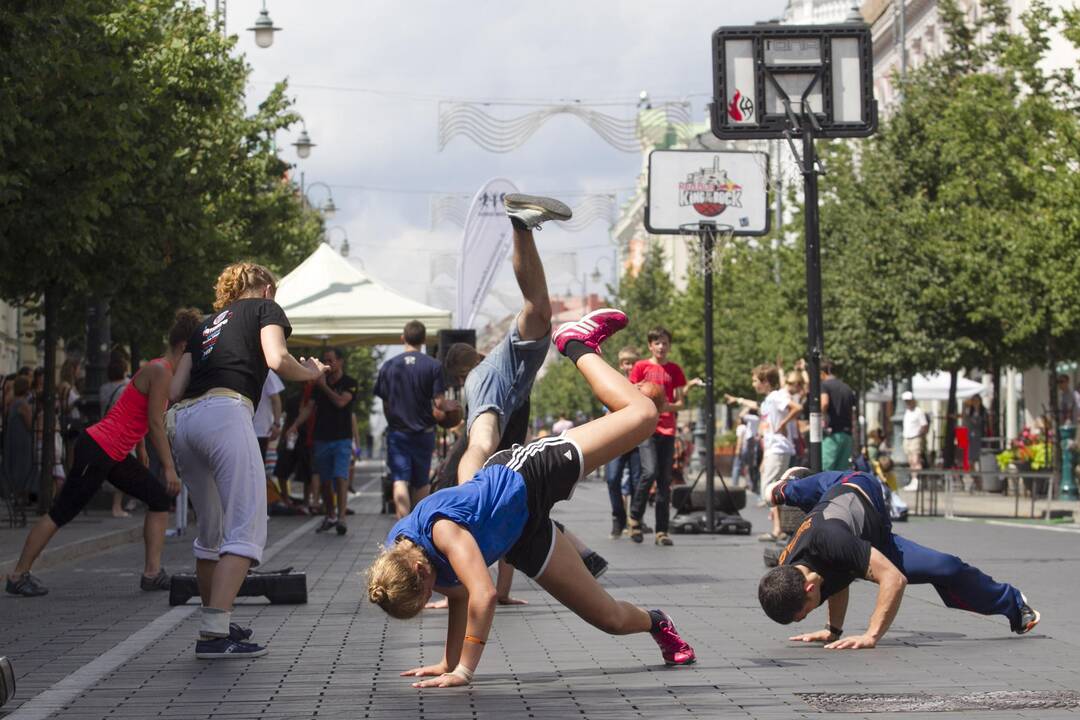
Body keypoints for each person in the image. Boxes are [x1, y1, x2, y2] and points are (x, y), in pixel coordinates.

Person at [367, 308, 696, 688]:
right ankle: (659, 622)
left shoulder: (441, 536)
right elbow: (457, 596)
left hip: (527, 476)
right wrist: (447, 661)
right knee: (610, 619)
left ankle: (575, 342)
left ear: (421, 572)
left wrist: (464, 670)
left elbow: (483, 595)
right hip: (519, 533)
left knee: (644, 414)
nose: (431, 600)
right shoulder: (403, 557)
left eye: (425, 596)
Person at [442, 193, 609, 589]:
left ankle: (521, 225)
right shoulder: (491, 368)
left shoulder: (482, 379)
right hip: (498, 382)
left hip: (499, 394)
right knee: (536, 310)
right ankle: (519, 224)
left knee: (538, 310)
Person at [169, 263, 327, 659]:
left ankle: (216, 622)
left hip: (183, 419)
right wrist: (309, 372)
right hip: (225, 412)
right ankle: (213, 634)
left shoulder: (203, 325)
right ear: (268, 288)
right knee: (246, 527)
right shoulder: (264, 309)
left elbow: (174, 387)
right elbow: (277, 358)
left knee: (211, 532)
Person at [6, 309, 203, 598]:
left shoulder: (161, 371)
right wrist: (169, 468)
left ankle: (152, 573)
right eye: (195, 350)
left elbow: (133, 410)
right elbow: (155, 422)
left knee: (159, 499)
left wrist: (138, 449)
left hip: (115, 452)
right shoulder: (161, 370)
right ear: (185, 347)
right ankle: (18, 574)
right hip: (98, 449)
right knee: (62, 512)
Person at [757, 467, 1040, 647]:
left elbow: (893, 578)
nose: (805, 617)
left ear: (808, 588)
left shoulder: (832, 542)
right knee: (946, 567)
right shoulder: (788, 570)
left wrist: (871, 635)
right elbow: (835, 581)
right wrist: (833, 630)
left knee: (794, 492)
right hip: (866, 537)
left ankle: (787, 486)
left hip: (854, 484)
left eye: (802, 614)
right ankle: (1017, 609)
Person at [626, 326, 698, 547]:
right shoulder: (641, 367)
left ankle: (661, 530)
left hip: (667, 429)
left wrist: (665, 405)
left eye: (665, 343)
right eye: (657, 343)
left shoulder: (674, 370)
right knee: (649, 472)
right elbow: (628, 394)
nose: (661, 347)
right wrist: (640, 392)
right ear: (650, 345)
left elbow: (680, 404)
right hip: (647, 428)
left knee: (665, 480)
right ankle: (635, 517)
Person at [373, 320, 448, 519]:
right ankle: (418, 526)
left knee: (399, 480)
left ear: (402, 338)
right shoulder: (433, 366)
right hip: (424, 434)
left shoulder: (389, 366)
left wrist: (393, 421)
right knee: (421, 482)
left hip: (398, 433)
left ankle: (402, 529)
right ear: (423, 340)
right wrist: (451, 407)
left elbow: (385, 402)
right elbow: (439, 403)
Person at [291, 348, 357, 535]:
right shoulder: (317, 386)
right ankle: (331, 515)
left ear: (340, 362)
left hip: (342, 438)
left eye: (331, 360)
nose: (328, 364)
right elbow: (308, 408)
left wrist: (323, 386)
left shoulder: (349, 383)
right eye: (325, 360)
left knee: (340, 477)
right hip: (321, 439)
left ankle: (342, 518)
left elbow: (341, 402)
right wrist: (295, 425)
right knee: (326, 482)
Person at [605, 346, 642, 538]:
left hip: (637, 439)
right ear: (621, 365)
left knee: (637, 482)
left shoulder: (644, 386)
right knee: (612, 479)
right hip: (617, 438)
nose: (630, 367)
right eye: (627, 363)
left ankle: (634, 520)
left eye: (633, 363)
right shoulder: (613, 383)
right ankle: (618, 517)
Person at [820, 360, 856, 472]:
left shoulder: (824, 385)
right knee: (842, 472)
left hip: (832, 435)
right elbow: (852, 412)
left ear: (822, 373)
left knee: (826, 469)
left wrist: (821, 416)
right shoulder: (847, 387)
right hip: (847, 434)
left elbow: (824, 403)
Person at [253, 370, 284, 463]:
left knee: (256, 464)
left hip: (260, 430)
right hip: (245, 428)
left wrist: (277, 424)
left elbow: (276, 400)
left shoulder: (266, 372)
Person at [901, 391, 929, 491]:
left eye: (909, 400)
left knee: (916, 460)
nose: (907, 403)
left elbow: (924, 425)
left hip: (915, 438)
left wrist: (919, 435)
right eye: (906, 401)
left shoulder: (918, 411)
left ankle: (917, 481)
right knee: (910, 461)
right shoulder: (907, 412)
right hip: (907, 438)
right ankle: (913, 480)